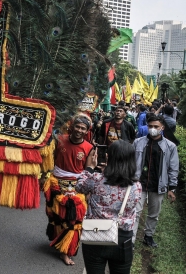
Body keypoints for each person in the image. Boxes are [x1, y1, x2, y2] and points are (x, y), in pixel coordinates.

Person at [76, 140, 142, 274]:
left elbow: (80, 186)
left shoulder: (96, 179)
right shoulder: (136, 186)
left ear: (108, 157)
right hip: (123, 239)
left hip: (95, 235)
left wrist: (89, 168)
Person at [43, 114, 95, 266]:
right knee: (55, 216)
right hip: (56, 184)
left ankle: (65, 252)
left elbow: (88, 171)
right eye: (77, 127)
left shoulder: (89, 148)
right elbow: (49, 158)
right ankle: (59, 241)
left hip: (77, 187)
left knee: (74, 221)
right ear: (72, 126)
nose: (79, 130)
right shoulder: (59, 139)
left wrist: (87, 191)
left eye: (83, 128)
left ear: (87, 131)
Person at [131, 113, 179, 247]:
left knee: (153, 214)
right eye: (150, 126)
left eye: (156, 126)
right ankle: (131, 240)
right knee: (135, 212)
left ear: (162, 127)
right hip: (138, 183)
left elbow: (173, 168)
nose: (152, 128)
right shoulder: (138, 142)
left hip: (158, 185)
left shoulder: (170, 147)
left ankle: (148, 236)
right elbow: (130, 162)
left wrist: (172, 188)